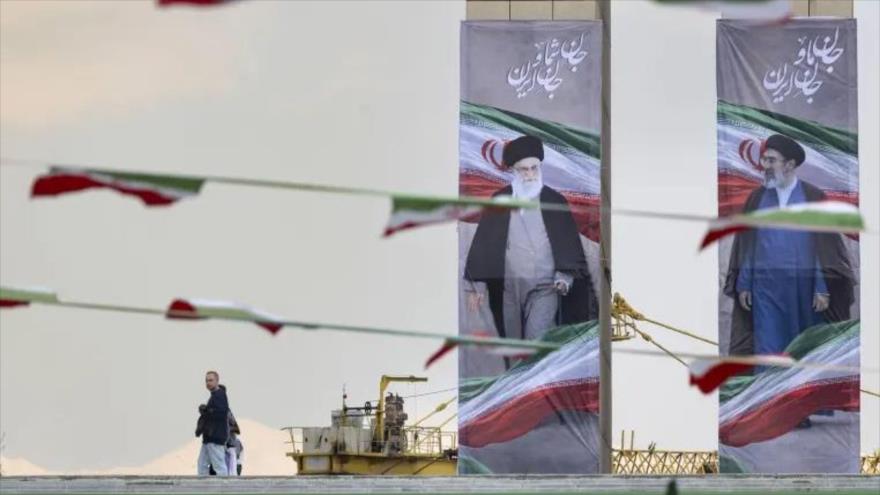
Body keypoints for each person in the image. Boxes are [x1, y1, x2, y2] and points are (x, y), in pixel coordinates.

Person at [724, 134, 855, 357]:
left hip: (804, 288)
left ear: (790, 164)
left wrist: (821, 287)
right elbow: (748, 245)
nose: (765, 165)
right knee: (768, 349)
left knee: (803, 349)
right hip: (766, 288)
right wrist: (744, 283)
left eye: (771, 160)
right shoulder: (756, 198)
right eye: (764, 159)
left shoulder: (813, 197)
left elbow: (823, 249)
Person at [464, 134, 597, 346]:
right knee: (512, 344)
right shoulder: (500, 200)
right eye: (523, 170)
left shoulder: (555, 201)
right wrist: (477, 287)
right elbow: (485, 242)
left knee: (535, 340)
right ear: (513, 171)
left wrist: (564, 277)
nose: (530, 174)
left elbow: (569, 246)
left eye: (534, 168)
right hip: (508, 288)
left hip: (545, 287)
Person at [196, 370, 230, 476]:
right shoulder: (215, 395)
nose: (208, 383)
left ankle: (225, 486)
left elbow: (222, 413)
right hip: (209, 438)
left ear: (217, 381)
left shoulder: (220, 395)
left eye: (211, 380)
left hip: (215, 437)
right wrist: (206, 411)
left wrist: (207, 411)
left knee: (219, 466)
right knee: (202, 465)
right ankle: (204, 485)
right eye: (206, 381)